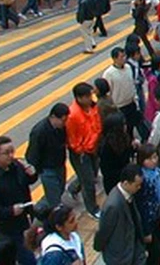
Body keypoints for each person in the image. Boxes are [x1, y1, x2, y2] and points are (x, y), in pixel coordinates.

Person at [0, 136, 37, 265]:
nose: (11, 156)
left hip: (24, 221)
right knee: (25, 258)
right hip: (7, 229)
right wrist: (10, 211)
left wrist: (32, 175)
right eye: (6, 153)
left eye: (12, 151)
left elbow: (26, 182)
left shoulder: (16, 165)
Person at [94, 164, 147, 265]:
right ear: (126, 183)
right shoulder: (113, 205)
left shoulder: (129, 194)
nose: (139, 188)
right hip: (121, 255)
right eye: (136, 185)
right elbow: (104, 231)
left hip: (134, 247)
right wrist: (98, 247)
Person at [65, 83, 102, 219]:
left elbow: (97, 123)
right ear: (79, 98)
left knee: (92, 174)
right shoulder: (72, 115)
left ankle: (73, 188)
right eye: (87, 96)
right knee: (88, 182)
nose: (90, 98)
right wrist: (81, 150)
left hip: (94, 147)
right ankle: (92, 209)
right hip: (81, 153)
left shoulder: (92, 107)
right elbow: (72, 139)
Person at [26, 103, 69, 209]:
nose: (64, 123)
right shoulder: (39, 132)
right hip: (47, 169)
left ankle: (45, 207)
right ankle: (51, 211)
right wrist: (39, 170)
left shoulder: (61, 128)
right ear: (53, 117)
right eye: (63, 120)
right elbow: (32, 154)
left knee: (59, 190)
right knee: (54, 196)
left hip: (59, 165)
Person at [134, 144, 160, 264]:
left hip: (157, 218)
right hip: (147, 223)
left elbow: (159, 198)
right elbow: (141, 206)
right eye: (149, 158)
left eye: (155, 157)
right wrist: (146, 231)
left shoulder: (157, 173)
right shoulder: (141, 180)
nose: (154, 161)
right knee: (155, 252)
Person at [103, 47, 142, 139]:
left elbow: (132, 84)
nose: (124, 58)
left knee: (131, 127)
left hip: (131, 103)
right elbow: (108, 92)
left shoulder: (128, 68)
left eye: (124, 56)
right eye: (121, 57)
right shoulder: (109, 74)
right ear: (114, 58)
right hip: (119, 107)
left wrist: (135, 100)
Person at [98, 113, 134, 194]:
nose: (126, 126)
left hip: (126, 177)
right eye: (123, 124)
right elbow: (107, 171)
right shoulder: (107, 148)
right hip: (114, 184)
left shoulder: (124, 137)